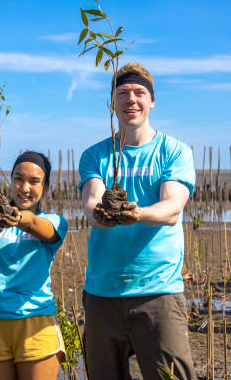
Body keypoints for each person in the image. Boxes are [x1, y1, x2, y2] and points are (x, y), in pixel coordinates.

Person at [79, 62, 197, 380]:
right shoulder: (95, 155)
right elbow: (92, 201)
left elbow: (172, 208)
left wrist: (136, 214)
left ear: (152, 101)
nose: (131, 99)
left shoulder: (174, 151)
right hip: (103, 293)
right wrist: (101, 217)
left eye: (139, 92)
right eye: (123, 93)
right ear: (112, 103)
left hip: (158, 291)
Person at [0, 151, 68, 380]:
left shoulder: (55, 221)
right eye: (18, 179)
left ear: (45, 187)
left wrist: (17, 217)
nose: (25, 187)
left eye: (34, 181)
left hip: (35, 323)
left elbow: (39, 226)